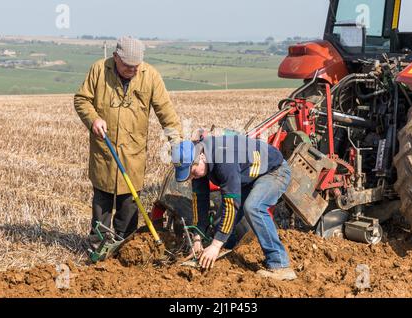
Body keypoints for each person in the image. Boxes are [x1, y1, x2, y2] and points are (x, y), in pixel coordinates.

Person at [74, 36, 182, 247]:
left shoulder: (150, 76)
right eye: (127, 66)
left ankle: (125, 246)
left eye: (136, 66)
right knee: (102, 201)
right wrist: (93, 118)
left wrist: (175, 140)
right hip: (104, 150)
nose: (132, 70)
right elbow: (81, 99)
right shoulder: (99, 70)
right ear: (116, 57)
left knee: (129, 203)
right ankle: (99, 246)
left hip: (133, 152)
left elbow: (166, 112)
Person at [171, 134, 297, 281]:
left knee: (253, 207)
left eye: (192, 172)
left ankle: (280, 265)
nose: (192, 177)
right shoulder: (198, 160)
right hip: (248, 178)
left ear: (201, 157)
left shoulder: (224, 159)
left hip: (274, 171)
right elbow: (200, 202)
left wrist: (215, 245)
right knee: (219, 225)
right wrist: (197, 238)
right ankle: (224, 254)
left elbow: (231, 205)